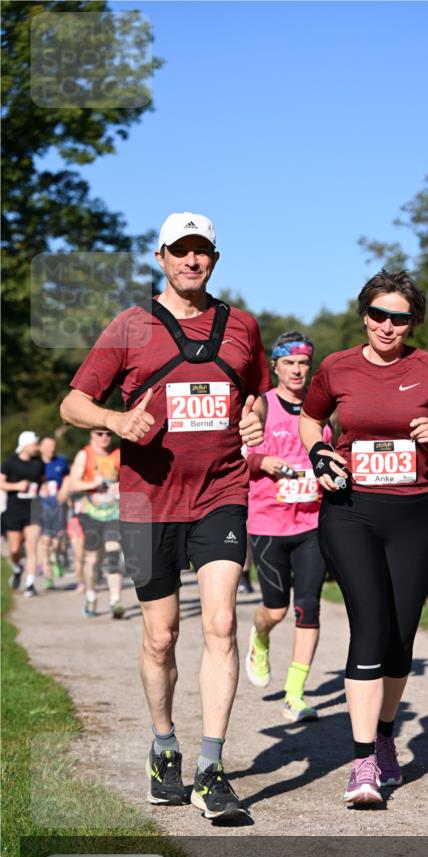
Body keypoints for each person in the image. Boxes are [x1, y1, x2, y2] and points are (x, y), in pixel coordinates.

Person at [60, 211, 270, 822]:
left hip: (221, 492)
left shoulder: (242, 326)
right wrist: (116, 420)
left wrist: (254, 419)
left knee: (222, 622)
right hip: (147, 499)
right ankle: (163, 746)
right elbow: (73, 402)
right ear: (161, 258)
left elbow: (254, 395)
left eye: (201, 250)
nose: (191, 260)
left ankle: (212, 768)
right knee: (161, 635)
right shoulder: (130, 326)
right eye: (180, 250)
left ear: (215, 259)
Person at [299, 269, 428, 804]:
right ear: (364, 315)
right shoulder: (337, 367)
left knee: (400, 640)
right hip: (350, 510)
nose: (388, 326)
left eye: (400, 317)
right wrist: (319, 452)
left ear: (412, 322)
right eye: (378, 314)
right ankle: (361, 764)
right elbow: (310, 419)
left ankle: (383, 736)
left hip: (413, 514)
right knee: (369, 627)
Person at [245, 331, 332, 721]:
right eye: (289, 363)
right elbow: (237, 451)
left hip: (313, 522)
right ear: (276, 366)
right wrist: (261, 461)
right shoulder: (262, 405)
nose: (297, 370)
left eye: (303, 363)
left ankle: (294, 695)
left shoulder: (322, 410)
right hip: (268, 522)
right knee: (275, 610)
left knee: (308, 608)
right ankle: (260, 637)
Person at [67, 428, 123, 617]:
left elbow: (130, 480)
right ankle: (91, 594)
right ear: (92, 435)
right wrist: (93, 484)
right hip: (90, 514)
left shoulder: (118, 454)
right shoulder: (84, 455)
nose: (105, 437)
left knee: (114, 551)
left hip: (114, 513)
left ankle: (115, 601)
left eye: (108, 434)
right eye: (100, 434)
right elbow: (73, 484)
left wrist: (120, 486)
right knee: (92, 559)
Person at [0, 431, 44, 596]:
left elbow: (43, 480)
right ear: (25, 445)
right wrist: (16, 486)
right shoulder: (10, 462)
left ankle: (30, 584)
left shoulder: (38, 463)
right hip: (14, 510)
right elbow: (1, 482)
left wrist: (45, 488)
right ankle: (18, 568)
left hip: (33, 509)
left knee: (32, 547)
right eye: (34, 444)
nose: (36, 447)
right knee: (15, 549)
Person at [37, 435, 70, 590]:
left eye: (53, 445)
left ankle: (56, 557)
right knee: (44, 541)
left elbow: (68, 478)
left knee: (56, 542)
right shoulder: (35, 463)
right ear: (41, 447)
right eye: (49, 446)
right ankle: (48, 576)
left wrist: (64, 492)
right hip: (40, 506)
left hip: (58, 505)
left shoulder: (61, 461)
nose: (52, 448)